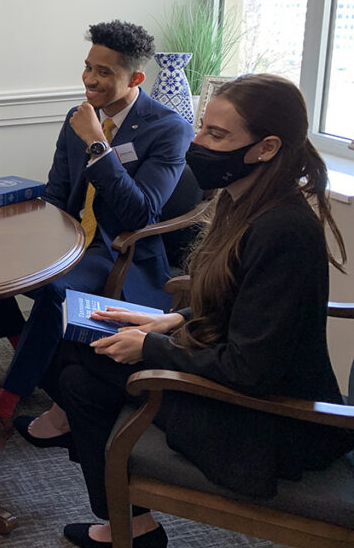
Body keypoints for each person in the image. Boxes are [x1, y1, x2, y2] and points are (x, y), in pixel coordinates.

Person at [43, 74, 353, 548]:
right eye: (202, 127)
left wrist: (151, 347)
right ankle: (131, 526)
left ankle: (129, 526)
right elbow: (241, 307)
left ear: (267, 148)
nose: (197, 142)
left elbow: (250, 369)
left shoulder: (284, 231)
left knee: (78, 366)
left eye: (217, 135)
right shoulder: (244, 202)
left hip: (271, 423)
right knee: (78, 367)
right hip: (241, 385)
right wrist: (171, 320)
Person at [0, 20, 193, 467]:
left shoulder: (167, 128)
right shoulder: (77, 117)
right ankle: (28, 355)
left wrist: (97, 143)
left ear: (135, 78)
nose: (90, 79)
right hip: (71, 237)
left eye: (104, 72)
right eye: (89, 67)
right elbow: (58, 193)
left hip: (116, 251)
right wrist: (27, 238)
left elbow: (140, 213)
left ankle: (5, 406)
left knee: (55, 291)